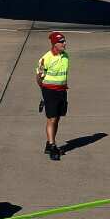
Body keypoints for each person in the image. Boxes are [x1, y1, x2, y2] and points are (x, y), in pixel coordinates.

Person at [36, 32, 70, 160]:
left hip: (62, 91)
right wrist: (44, 92)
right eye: (61, 42)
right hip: (50, 92)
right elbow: (39, 77)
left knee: (57, 119)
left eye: (64, 41)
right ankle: (52, 146)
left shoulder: (66, 56)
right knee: (52, 119)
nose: (64, 44)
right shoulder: (46, 58)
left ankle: (49, 143)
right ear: (54, 44)